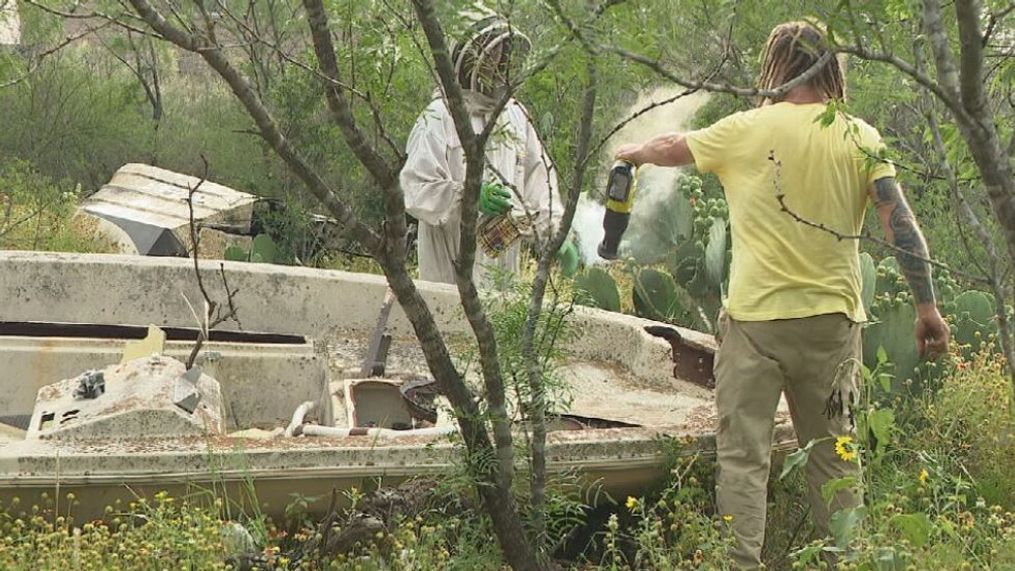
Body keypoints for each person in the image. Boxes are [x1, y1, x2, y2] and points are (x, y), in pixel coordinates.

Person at [614, 21, 950, 569]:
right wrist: (926, 307)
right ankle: (844, 561)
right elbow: (900, 225)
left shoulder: (745, 129)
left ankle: (740, 563)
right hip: (832, 326)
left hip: (755, 327)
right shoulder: (860, 137)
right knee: (835, 461)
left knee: (743, 460)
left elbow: (673, 147)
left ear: (775, 67)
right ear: (831, 69)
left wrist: (634, 151)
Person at [400, 7, 578, 287]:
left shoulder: (516, 115)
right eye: (491, 55)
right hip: (449, 260)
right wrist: (468, 195)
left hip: (502, 264)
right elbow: (416, 189)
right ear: (468, 57)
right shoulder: (438, 116)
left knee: (496, 325)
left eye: (503, 55)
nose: (498, 63)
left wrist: (556, 233)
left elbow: (538, 177)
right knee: (449, 322)